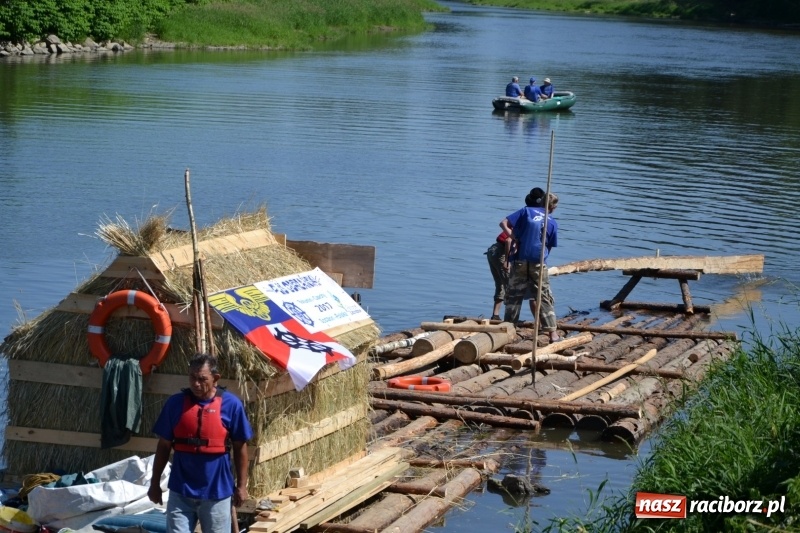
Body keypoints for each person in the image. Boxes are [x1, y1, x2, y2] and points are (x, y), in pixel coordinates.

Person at [148, 353, 254, 533]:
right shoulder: (175, 404)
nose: (196, 384)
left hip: (216, 493)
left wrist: (242, 486)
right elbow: (163, 446)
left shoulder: (231, 405)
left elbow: (240, 448)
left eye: (202, 379)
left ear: (215, 378)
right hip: (181, 491)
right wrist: (154, 483)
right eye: (192, 377)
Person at [500, 189, 560, 342]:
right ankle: (552, 334)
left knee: (514, 296)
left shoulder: (526, 211)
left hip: (520, 259)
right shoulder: (552, 222)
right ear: (553, 207)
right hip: (538, 261)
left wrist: (515, 238)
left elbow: (504, 223)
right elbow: (549, 247)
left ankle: (508, 329)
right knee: (544, 296)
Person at [486, 227, 513, 321]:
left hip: (493, 251)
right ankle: (510, 317)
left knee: (500, 284)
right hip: (501, 252)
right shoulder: (523, 227)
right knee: (510, 286)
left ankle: (495, 315)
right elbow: (508, 241)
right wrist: (507, 260)